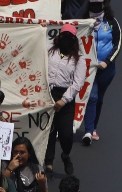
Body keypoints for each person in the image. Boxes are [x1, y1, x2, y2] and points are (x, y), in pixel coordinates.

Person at [45, 23, 86, 178]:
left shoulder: (79, 58)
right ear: (59, 36)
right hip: (49, 93)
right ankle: (48, 165)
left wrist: (64, 100)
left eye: (70, 37)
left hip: (65, 96)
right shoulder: (50, 50)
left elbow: (78, 83)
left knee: (66, 133)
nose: (66, 39)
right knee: (49, 131)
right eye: (64, 36)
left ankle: (66, 155)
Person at [81, 0, 121, 144]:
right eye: (93, 4)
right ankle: (88, 131)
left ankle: (94, 126)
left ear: (104, 4)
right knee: (92, 96)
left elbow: (118, 44)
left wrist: (107, 61)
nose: (96, 6)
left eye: (99, 4)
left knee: (100, 99)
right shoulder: (83, 21)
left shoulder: (112, 22)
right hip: (88, 68)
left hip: (106, 69)